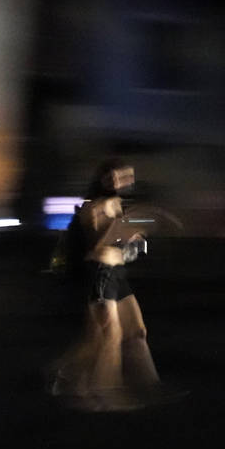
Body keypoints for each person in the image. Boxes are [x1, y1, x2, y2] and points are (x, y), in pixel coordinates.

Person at [47, 157, 179, 411]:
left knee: (136, 332)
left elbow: (125, 245)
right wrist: (126, 225)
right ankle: (105, 394)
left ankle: (151, 387)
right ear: (103, 179)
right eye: (115, 177)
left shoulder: (118, 205)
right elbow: (99, 246)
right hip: (102, 274)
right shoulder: (94, 206)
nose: (121, 181)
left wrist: (136, 239)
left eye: (126, 177)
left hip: (119, 276)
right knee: (110, 337)